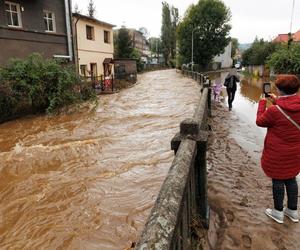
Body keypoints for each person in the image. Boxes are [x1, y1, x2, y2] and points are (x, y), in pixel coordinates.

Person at [256, 74, 300, 224]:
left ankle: (278, 212)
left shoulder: (274, 111)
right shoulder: (285, 105)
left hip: (277, 153)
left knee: (278, 179)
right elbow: (290, 108)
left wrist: (262, 102)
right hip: (296, 152)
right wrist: (277, 100)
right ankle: (293, 211)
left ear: (280, 90)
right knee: (291, 178)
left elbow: (260, 121)